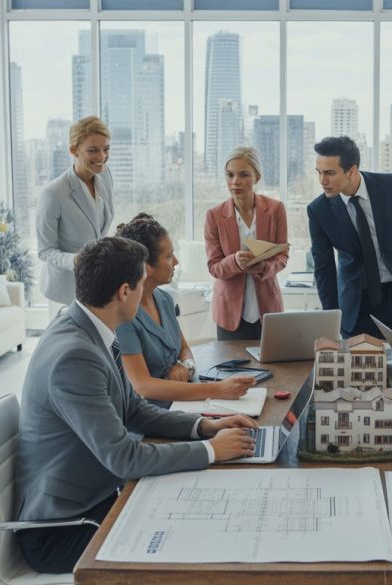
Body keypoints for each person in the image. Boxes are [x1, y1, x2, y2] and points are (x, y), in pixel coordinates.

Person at [14, 237, 258, 574]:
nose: (147, 295)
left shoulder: (88, 330)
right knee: (196, 539)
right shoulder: (75, 356)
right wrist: (211, 450)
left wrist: (204, 426)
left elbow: (132, 408)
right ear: (124, 292)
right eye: (142, 285)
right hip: (65, 529)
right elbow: (124, 458)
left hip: (97, 501)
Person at [115, 214, 256, 408]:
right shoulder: (124, 316)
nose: (176, 261)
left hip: (189, 401)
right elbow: (143, 386)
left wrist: (186, 366)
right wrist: (217, 390)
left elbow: (184, 349)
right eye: (168, 255)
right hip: (154, 414)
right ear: (145, 265)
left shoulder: (164, 299)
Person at [307, 136, 392, 342]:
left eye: (330, 173)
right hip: (356, 305)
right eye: (319, 172)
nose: (323, 181)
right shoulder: (318, 210)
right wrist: (331, 317)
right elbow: (324, 268)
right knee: (360, 371)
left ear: (352, 171)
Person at [205, 146, 289, 340]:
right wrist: (235, 261)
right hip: (229, 313)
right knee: (232, 370)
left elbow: (282, 255)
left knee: (272, 369)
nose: (235, 182)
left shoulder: (276, 209)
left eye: (243, 175)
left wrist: (264, 266)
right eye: (230, 175)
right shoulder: (214, 216)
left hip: (268, 310)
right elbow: (214, 267)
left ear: (257, 177)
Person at [36, 116, 115, 308]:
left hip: (96, 284)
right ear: (73, 150)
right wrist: (76, 260)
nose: (102, 157)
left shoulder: (104, 176)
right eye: (93, 150)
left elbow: (98, 230)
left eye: (106, 149)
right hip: (65, 290)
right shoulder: (53, 193)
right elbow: (45, 250)